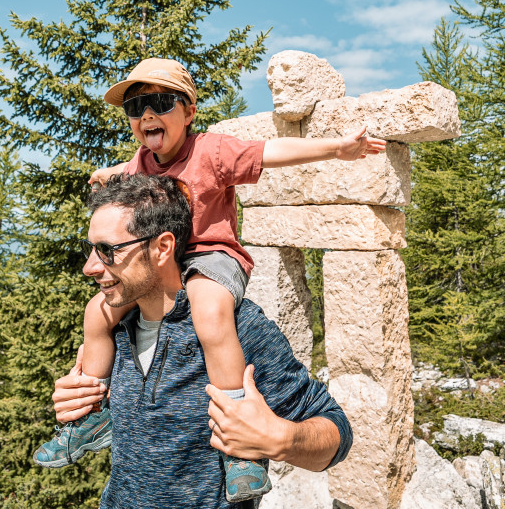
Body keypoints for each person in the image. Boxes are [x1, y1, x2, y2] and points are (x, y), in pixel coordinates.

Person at [33, 58, 382, 503]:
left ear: (190, 110)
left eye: (160, 102)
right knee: (96, 311)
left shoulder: (211, 152)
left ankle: (239, 449)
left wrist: (335, 148)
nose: (146, 116)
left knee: (209, 307)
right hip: (167, 263)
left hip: (212, 256)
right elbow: (127, 174)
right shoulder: (140, 165)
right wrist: (79, 394)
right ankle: (91, 418)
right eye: (136, 107)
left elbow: (269, 153)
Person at [52, 173, 352, 509]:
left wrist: (282, 439)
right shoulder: (114, 326)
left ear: (163, 247)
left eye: (107, 250)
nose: (90, 267)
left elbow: (336, 433)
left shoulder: (238, 327)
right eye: (90, 249)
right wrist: (79, 403)